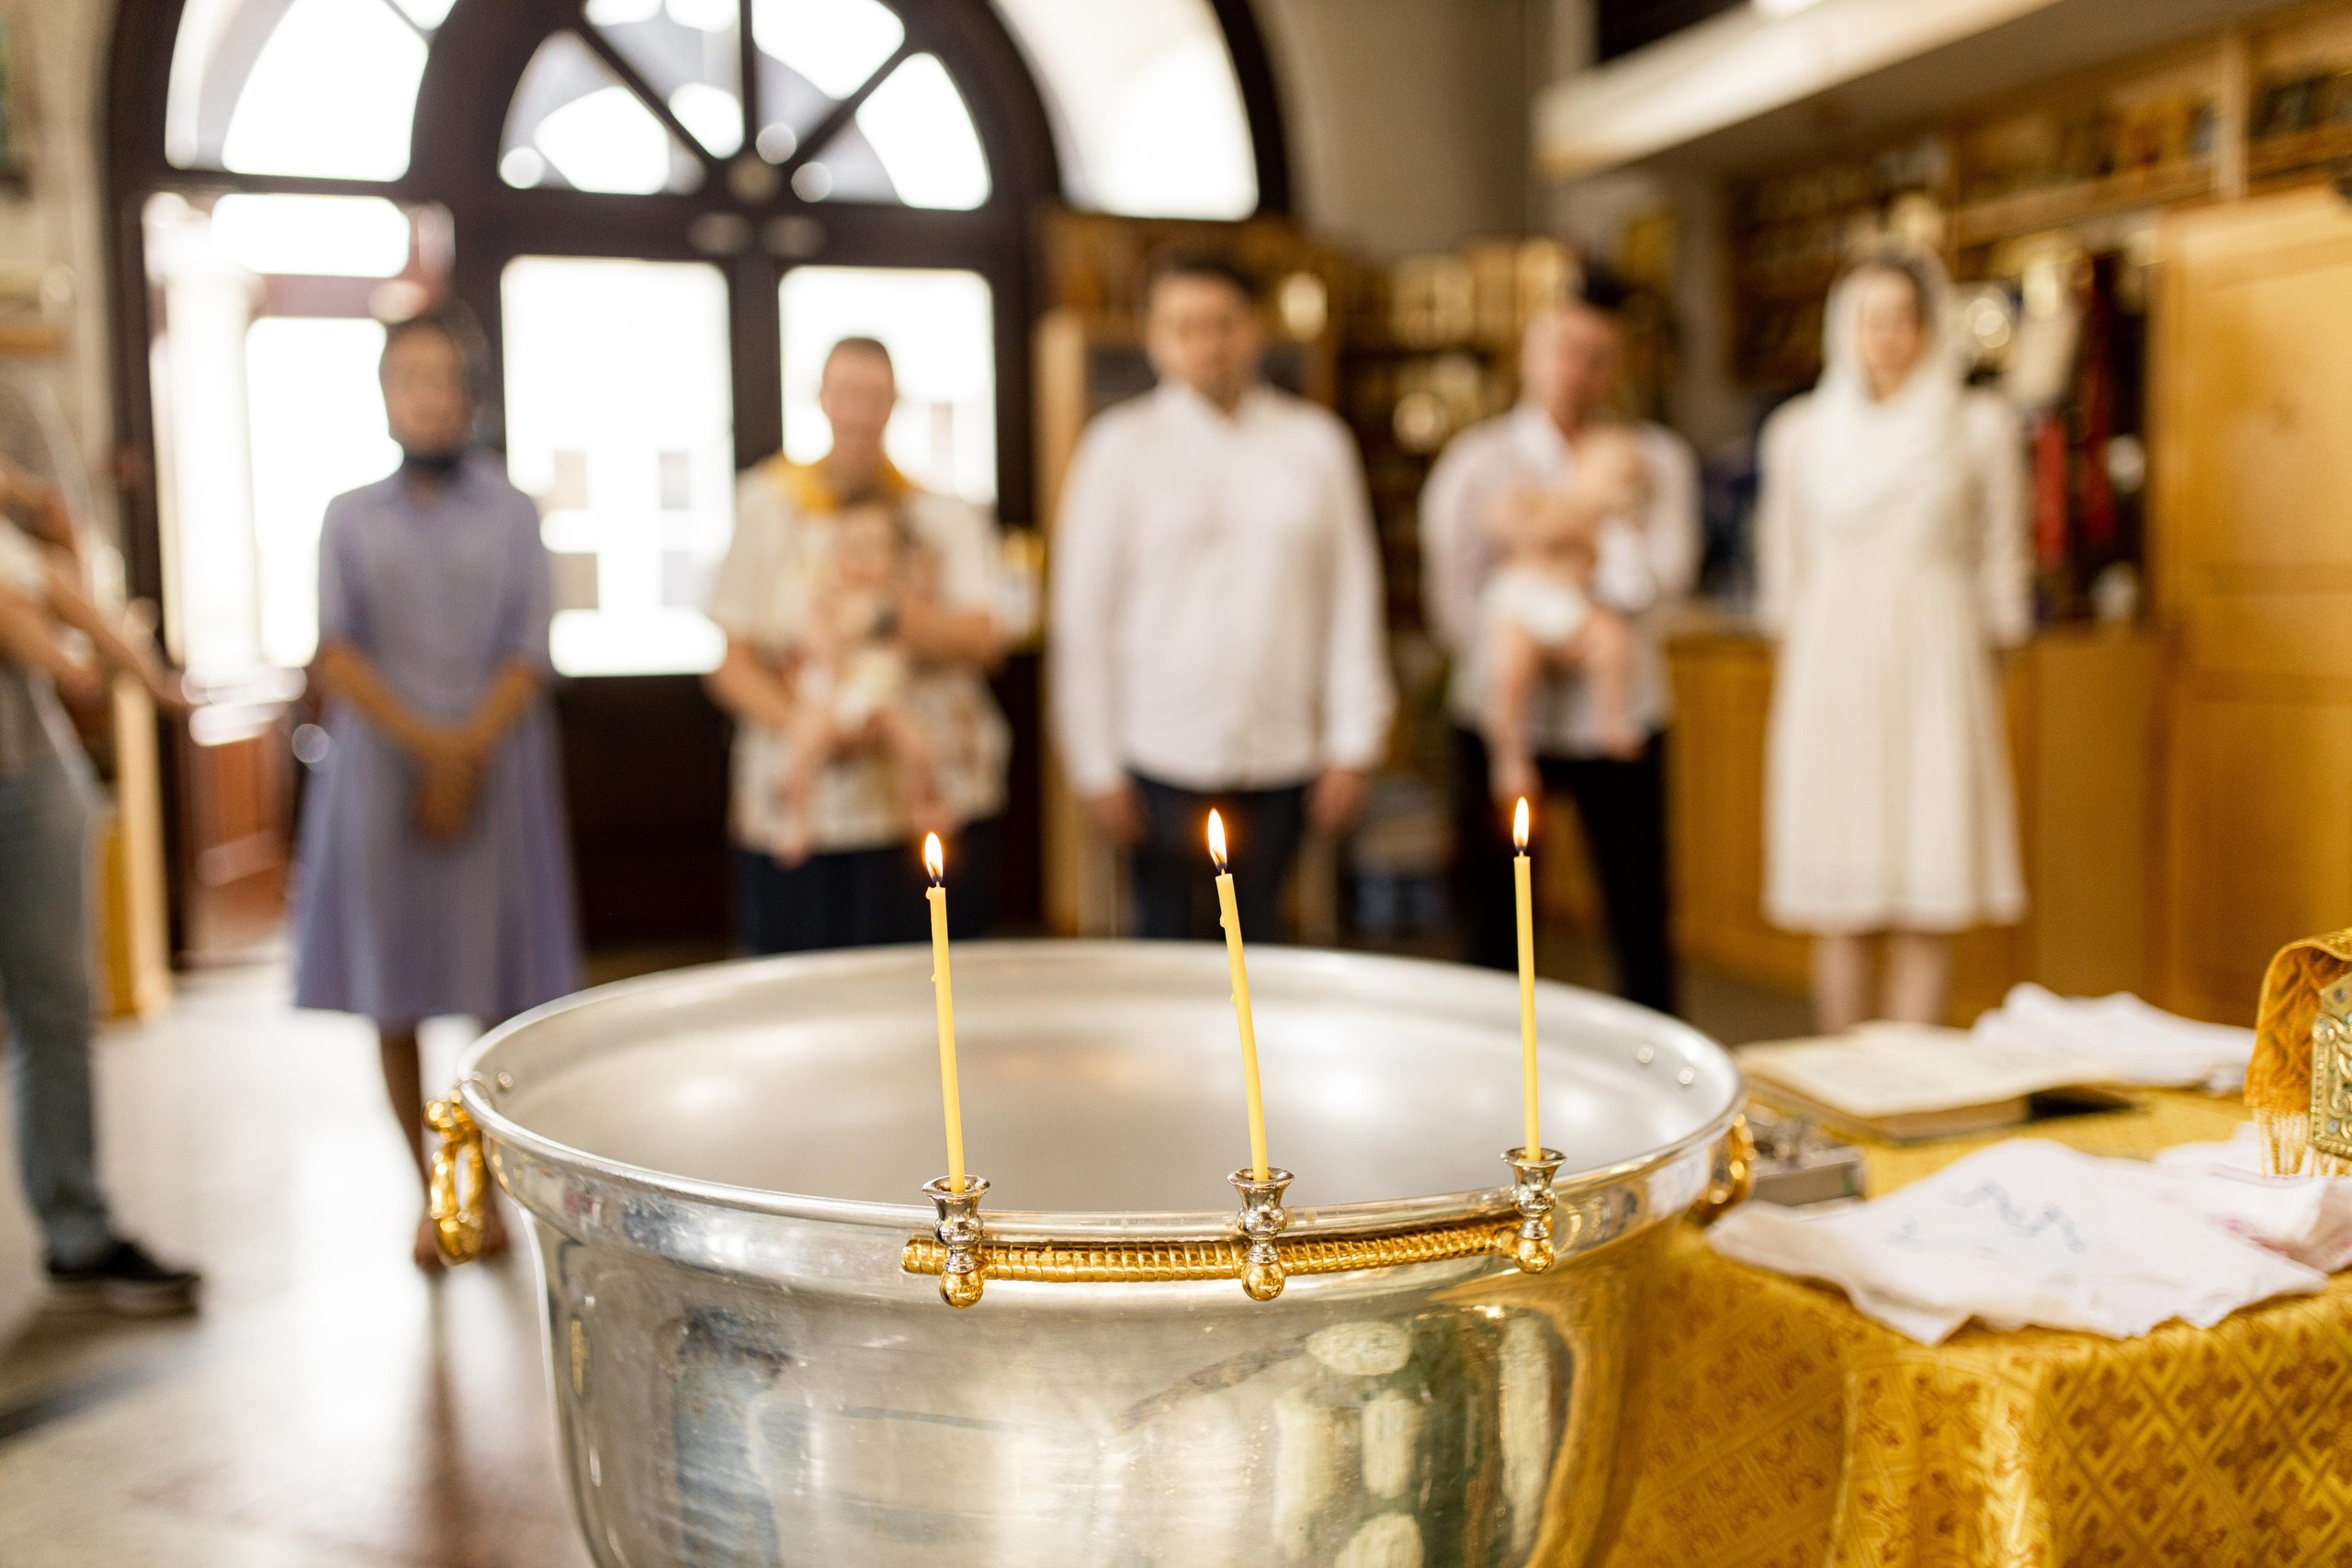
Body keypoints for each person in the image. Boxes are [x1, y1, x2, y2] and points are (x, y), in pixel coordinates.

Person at [292, 310, 583, 1269]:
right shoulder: (347, 516)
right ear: (384, 395)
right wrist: (429, 751)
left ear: (470, 395)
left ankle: (497, 1186)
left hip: (497, 770)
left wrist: (466, 755)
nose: (425, 395)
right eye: (405, 377)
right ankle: (434, 1191)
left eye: (441, 377)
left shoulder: (512, 512)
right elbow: (338, 651)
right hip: (383, 774)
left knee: (496, 983)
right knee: (397, 988)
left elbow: (527, 648)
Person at [1049, 251, 1394, 942]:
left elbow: (1351, 598)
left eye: (1223, 323)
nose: (1207, 343)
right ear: (1155, 336)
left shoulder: (1316, 444)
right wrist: (1093, 761)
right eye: (1185, 326)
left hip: (1282, 748)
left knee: (1263, 951)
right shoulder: (1118, 448)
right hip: (1161, 750)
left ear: (1255, 329)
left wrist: (1354, 738)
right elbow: (1082, 615)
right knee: (1173, 956)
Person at [1756, 250, 2030, 1032]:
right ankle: (1846, 1088)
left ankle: (1904, 1083)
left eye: (1903, 319)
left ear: (1928, 326)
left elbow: (2002, 565)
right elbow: (1783, 565)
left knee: (1922, 899)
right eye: (1871, 319)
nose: (1888, 337)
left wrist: (1993, 674)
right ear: (1847, 327)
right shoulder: (1800, 434)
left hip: (1937, 665)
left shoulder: (1978, 426)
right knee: (1841, 902)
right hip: (1831, 667)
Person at [1421, 288, 1700, 1014]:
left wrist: (1569, 556)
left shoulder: (1653, 460)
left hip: (1617, 716)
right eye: (1565, 351)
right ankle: (1492, 1078)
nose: (1579, 371)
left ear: (1618, 368)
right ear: (1530, 354)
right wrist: (1531, 632)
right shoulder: (1477, 463)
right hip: (1506, 711)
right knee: (1495, 922)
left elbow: (1664, 581)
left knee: (1639, 913)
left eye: (1598, 357)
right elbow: (1454, 596)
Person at [0, 374, 202, 1314]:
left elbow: (59, 564)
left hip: (28, 767)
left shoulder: (16, 398)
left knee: (58, 1010)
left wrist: (121, 667)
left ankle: (78, 1230)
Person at [705, 336, 1011, 952]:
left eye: (875, 397)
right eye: (847, 394)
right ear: (820, 398)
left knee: (932, 982)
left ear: (895, 403)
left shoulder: (939, 512)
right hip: (814, 809)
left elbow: (986, 638)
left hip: (916, 797)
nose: (860, 412)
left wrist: (884, 618)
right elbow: (730, 662)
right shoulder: (767, 505)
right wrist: (819, 725)